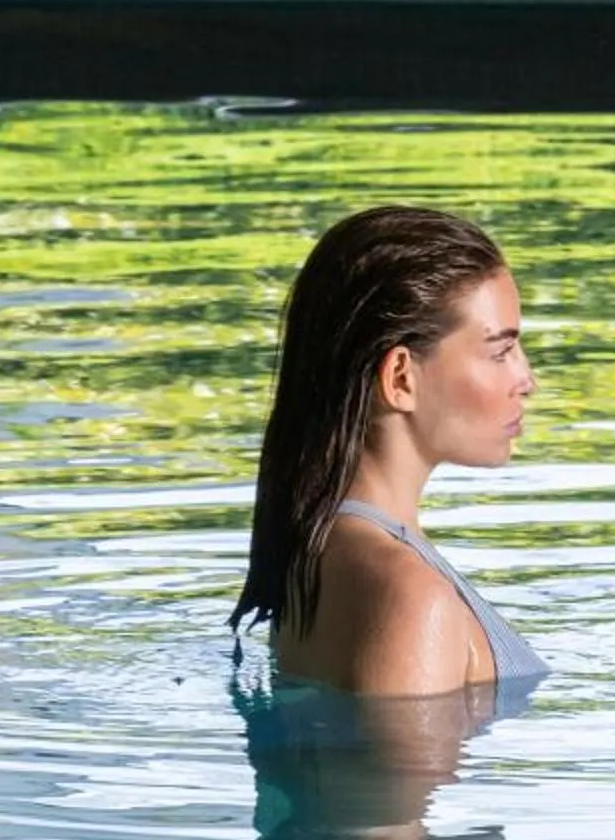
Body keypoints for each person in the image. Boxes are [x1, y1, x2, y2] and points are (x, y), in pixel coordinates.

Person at [232, 205, 544, 697]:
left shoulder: (316, 550)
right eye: (500, 351)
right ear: (400, 377)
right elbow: (392, 775)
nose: (526, 380)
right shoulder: (411, 598)